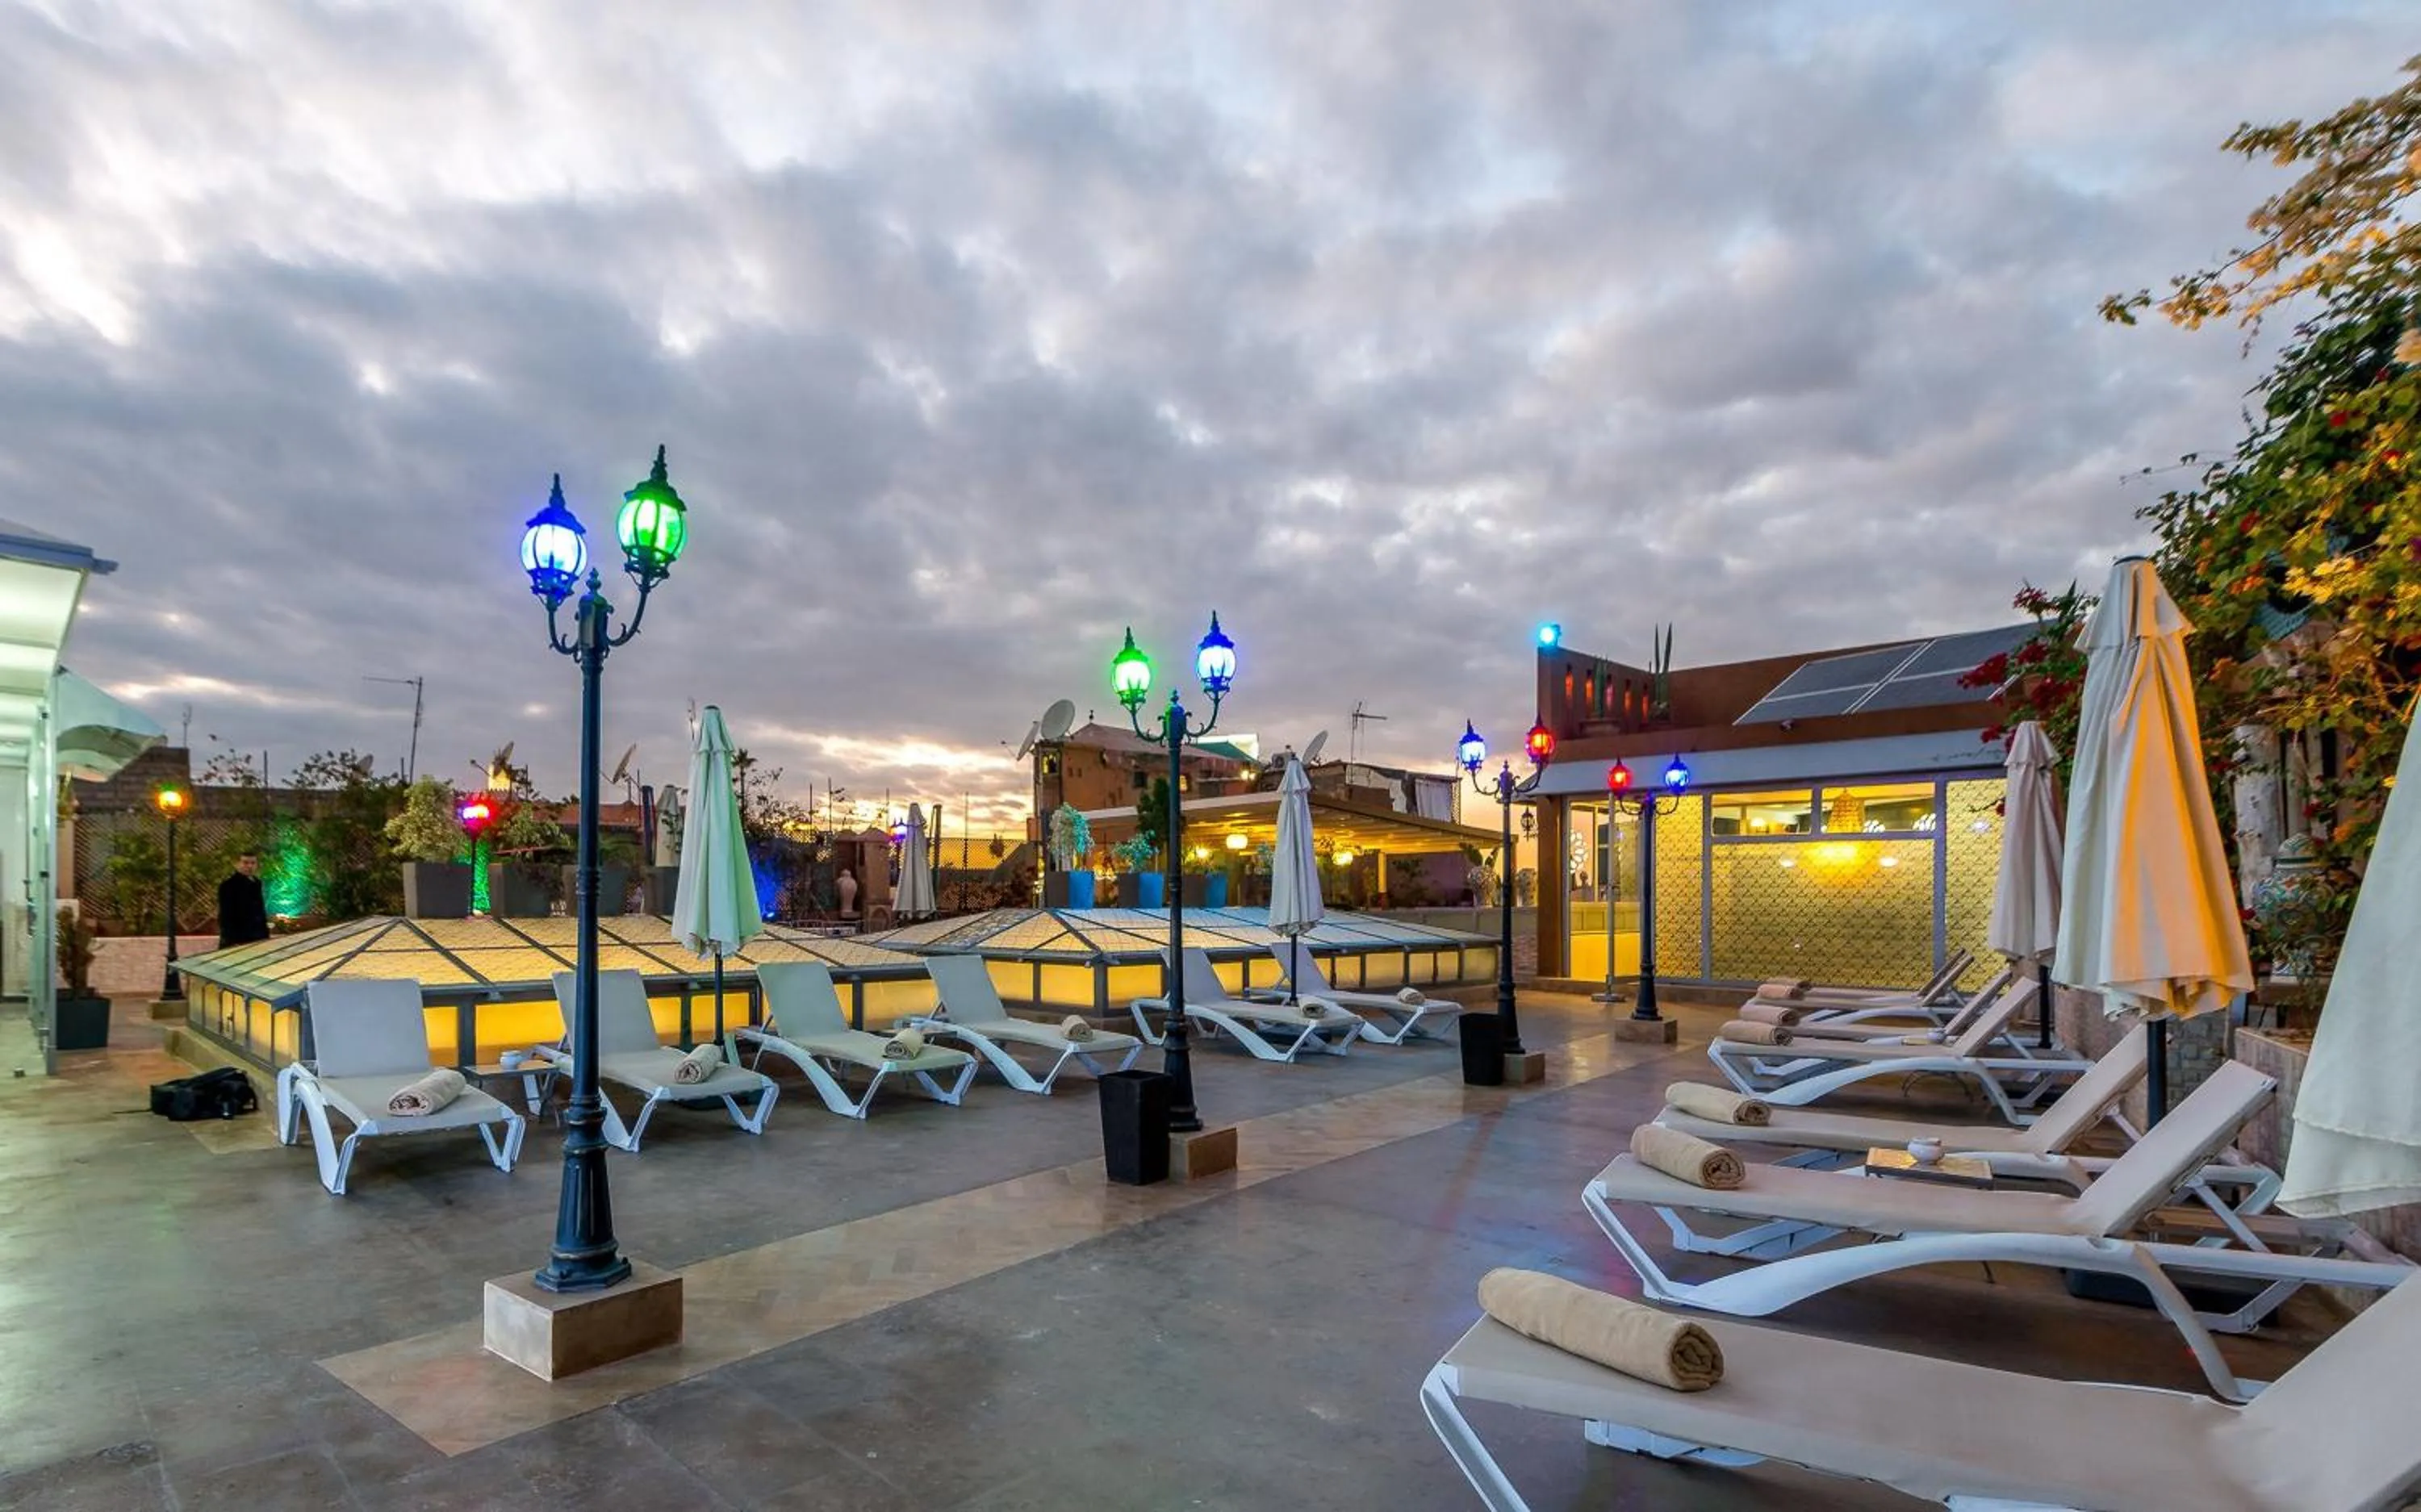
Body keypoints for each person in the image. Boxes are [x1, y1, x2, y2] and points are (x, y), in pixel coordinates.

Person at [216, 852, 270, 950]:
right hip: (238, 939)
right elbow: (225, 915)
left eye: (253, 863)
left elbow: (260, 911)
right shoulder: (228, 886)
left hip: (258, 937)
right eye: (245, 863)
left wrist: (265, 935)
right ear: (237, 864)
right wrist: (230, 940)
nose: (249, 866)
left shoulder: (257, 883)